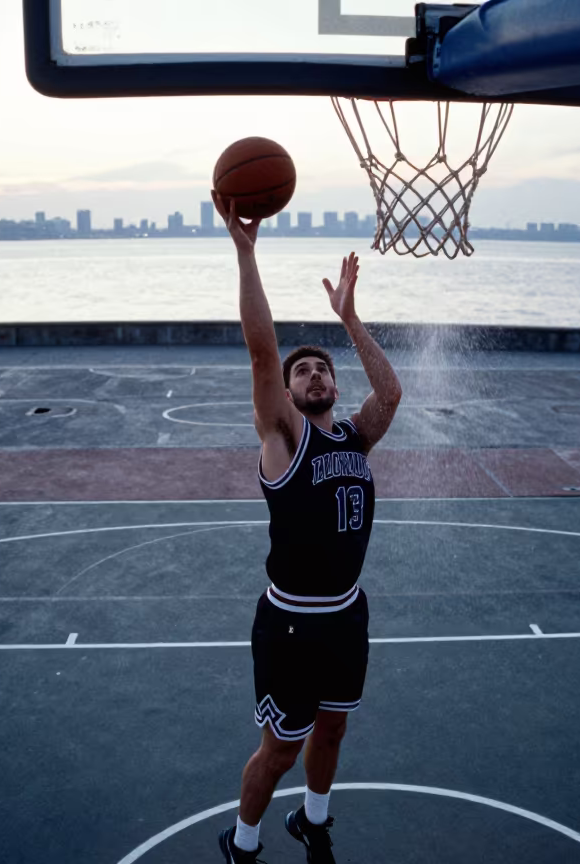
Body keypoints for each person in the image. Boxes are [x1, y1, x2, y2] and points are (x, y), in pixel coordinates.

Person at [213, 192, 403, 864]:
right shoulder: (284, 442)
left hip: (347, 616)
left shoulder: (356, 436)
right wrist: (246, 254)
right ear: (287, 396)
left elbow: (391, 395)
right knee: (281, 749)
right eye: (303, 371)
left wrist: (349, 319)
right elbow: (262, 355)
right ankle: (243, 841)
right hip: (290, 622)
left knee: (333, 729)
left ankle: (313, 824)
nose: (314, 373)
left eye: (323, 368)